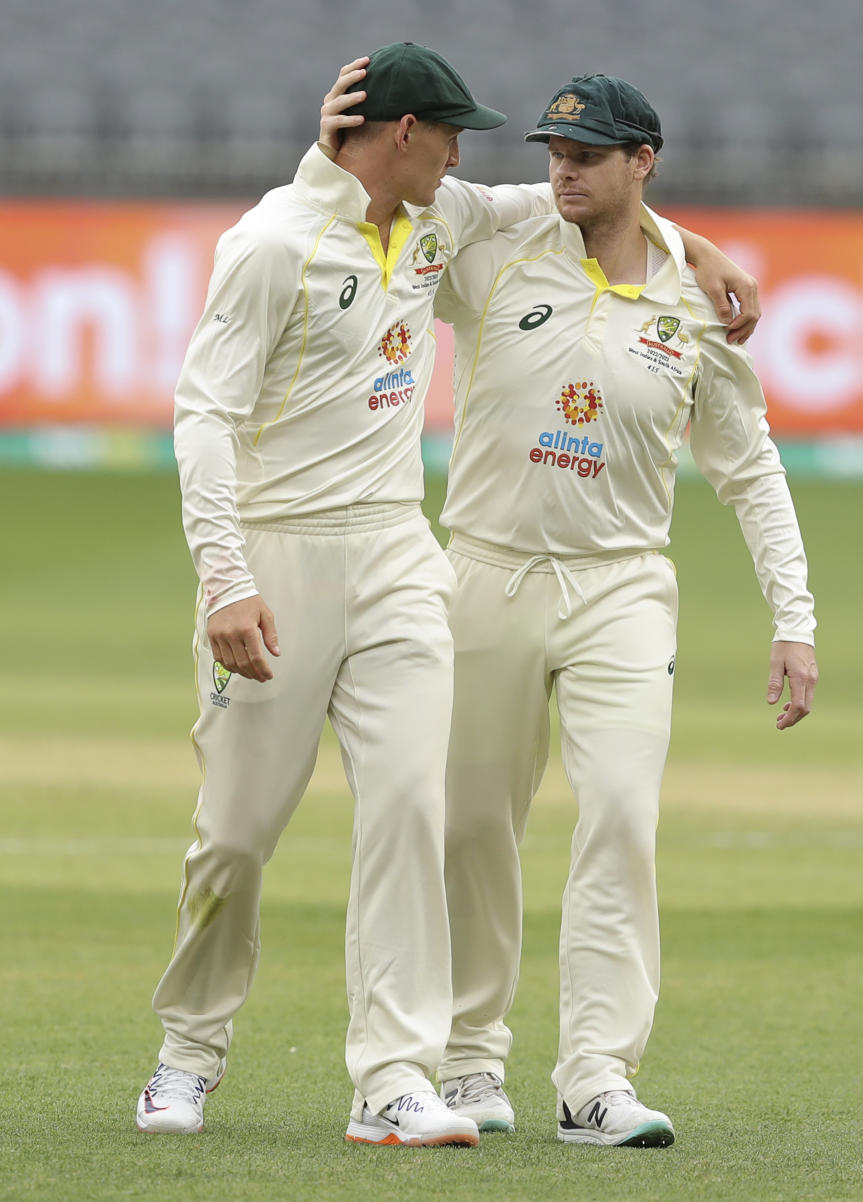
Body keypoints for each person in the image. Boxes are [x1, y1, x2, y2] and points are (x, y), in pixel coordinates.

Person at [136, 45, 763, 1147]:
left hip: (396, 558)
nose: (471, 156)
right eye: (452, 134)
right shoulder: (273, 243)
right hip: (275, 563)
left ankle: (393, 1076)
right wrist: (225, 578)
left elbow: (598, 201)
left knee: (411, 813)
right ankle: (187, 1050)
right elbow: (202, 418)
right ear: (404, 136)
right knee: (235, 837)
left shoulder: (442, 215)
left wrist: (700, 251)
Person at [427, 75, 819, 1146]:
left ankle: (596, 1075)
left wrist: (796, 617)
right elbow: (440, 206)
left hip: (622, 590)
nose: (564, 167)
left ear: (642, 159)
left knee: (619, 816)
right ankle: (467, 1060)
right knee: (469, 825)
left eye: (589, 154)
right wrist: (690, 233)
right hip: (487, 575)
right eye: (557, 149)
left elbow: (750, 470)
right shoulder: (499, 253)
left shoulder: (696, 306)